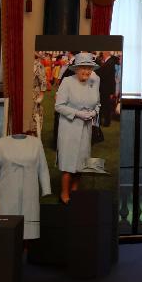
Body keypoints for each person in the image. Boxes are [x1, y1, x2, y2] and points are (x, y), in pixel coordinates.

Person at [55, 52, 101, 204]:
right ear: (76, 69)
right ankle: (64, 194)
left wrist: (94, 112)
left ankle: (75, 192)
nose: (86, 72)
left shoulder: (94, 82)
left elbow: (98, 104)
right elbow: (59, 106)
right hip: (69, 128)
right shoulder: (67, 82)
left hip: (86, 129)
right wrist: (78, 114)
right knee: (68, 163)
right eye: (83, 68)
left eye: (89, 68)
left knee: (81, 163)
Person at [96, 52, 119, 127]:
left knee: (106, 105)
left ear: (106, 54)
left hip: (106, 88)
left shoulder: (109, 62)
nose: (102, 54)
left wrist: (95, 72)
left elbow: (104, 74)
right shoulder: (108, 62)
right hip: (106, 87)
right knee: (104, 104)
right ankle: (104, 121)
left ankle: (106, 121)